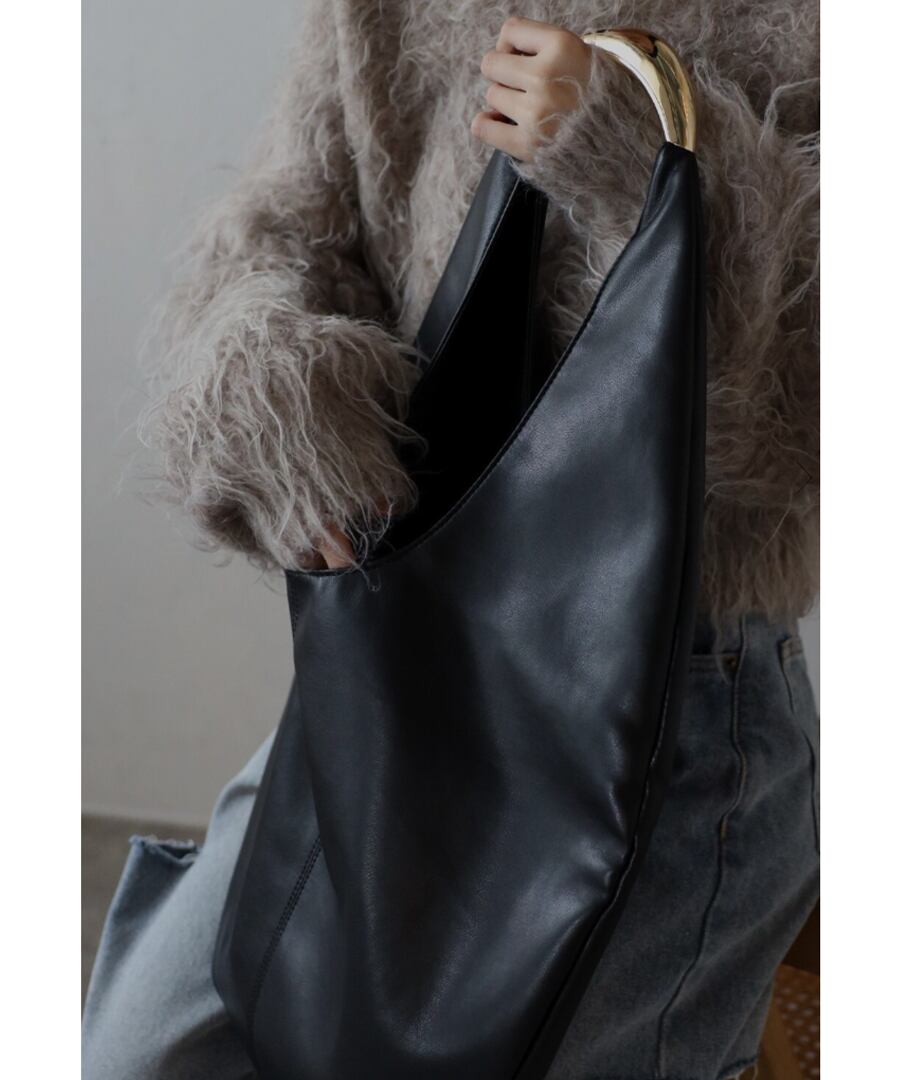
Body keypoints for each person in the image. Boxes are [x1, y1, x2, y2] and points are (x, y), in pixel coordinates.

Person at [83, 3, 820, 1079]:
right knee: (145, 1050)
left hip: (676, 705)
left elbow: (814, 420)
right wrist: (283, 404)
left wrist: (639, 161)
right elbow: (284, 230)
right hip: (400, 650)